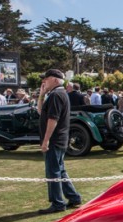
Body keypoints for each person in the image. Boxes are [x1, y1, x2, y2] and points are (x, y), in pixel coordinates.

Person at [37, 69, 82, 214]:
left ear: (55, 80)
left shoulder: (57, 95)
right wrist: (41, 95)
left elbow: (53, 119)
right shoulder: (58, 94)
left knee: (53, 172)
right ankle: (73, 197)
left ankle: (57, 203)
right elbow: (41, 112)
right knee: (60, 170)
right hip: (59, 139)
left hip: (55, 140)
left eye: (47, 79)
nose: (44, 81)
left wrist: (46, 140)